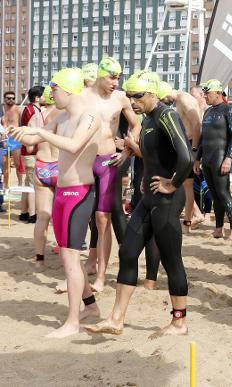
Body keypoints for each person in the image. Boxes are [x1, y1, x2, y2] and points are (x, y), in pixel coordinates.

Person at [86, 70, 193, 337]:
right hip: (149, 197)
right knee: (128, 252)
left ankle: (179, 322)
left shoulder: (167, 115)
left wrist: (172, 183)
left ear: (153, 94)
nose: (132, 100)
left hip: (167, 199)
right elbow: (154, 154)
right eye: (129, 95)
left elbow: (186, 158)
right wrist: (134, 150)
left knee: (171, 260)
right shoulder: (148, 119)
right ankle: (116, 319)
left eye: (138, 95)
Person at [9, 68, 102, 338]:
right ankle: (90, 306)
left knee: (72, 258)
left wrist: (41, 133)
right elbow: (33, 138)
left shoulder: (90, 116)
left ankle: (72, 323)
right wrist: (19, 133)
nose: (52, 95)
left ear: (68, 89)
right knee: (65, 255)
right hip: (62, 191)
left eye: (55, 90)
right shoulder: (61, 116)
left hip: (80, 192)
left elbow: (73, 146)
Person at [82, 57, 142, 292]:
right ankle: (82, 266)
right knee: (83, 216)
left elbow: (136, 125)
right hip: (85, 162)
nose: (115, 82)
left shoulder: (120, 98)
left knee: (102, 218)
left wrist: (127, 150)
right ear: (99, 74)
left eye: (118, 77)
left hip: (108, 161)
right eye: (111, 77)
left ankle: (100, 276)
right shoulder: (84, 98)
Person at [194, 79, 232, 240]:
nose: (204, 96)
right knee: (215, 194)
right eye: (204, 93)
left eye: (207, 93)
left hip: (220, 157)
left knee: (223, 193)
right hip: (207, 159)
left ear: (218, 93)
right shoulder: (208, 111)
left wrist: (228, 158)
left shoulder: (229, 110)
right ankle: (219, 228)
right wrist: (197, 159)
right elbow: (202, 138)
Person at [158, 81, 203, 233]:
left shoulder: (184, 99)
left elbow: (197, 124)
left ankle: (189, 221)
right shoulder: (180, 100)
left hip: (190, 144)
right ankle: (190, 219)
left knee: (186, 186)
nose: (164, 103)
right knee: (186, 185)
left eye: (163, 99)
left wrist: (194, 148)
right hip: (188, 144)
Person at [32, 86, 60, 269]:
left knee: (42, 216)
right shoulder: (63, 113)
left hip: (41, 165)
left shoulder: (35, 117)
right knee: (64, 214)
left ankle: (39, 260)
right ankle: (66, 249)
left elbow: (27, 147)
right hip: (59, 166)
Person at [20, 86, 46, 223]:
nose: (46, 97)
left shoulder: (30, 109)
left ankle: (24, 211)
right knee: (32, 184)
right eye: (43, 95)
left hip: (28, 150)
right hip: (30, 150)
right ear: (37, 97)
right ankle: (32, 214)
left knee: (27, 183)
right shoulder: (32, 110)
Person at [2, 91, 23, 188]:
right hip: (4, 140)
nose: (11, 100)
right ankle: (6, 186)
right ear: (4, 99)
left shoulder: (18, 110)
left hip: (15, 140)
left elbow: (22, 125)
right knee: (5, 165)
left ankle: (19, 183)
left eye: (13, 98)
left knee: (17, 163)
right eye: (9, 98)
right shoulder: (2, 110)